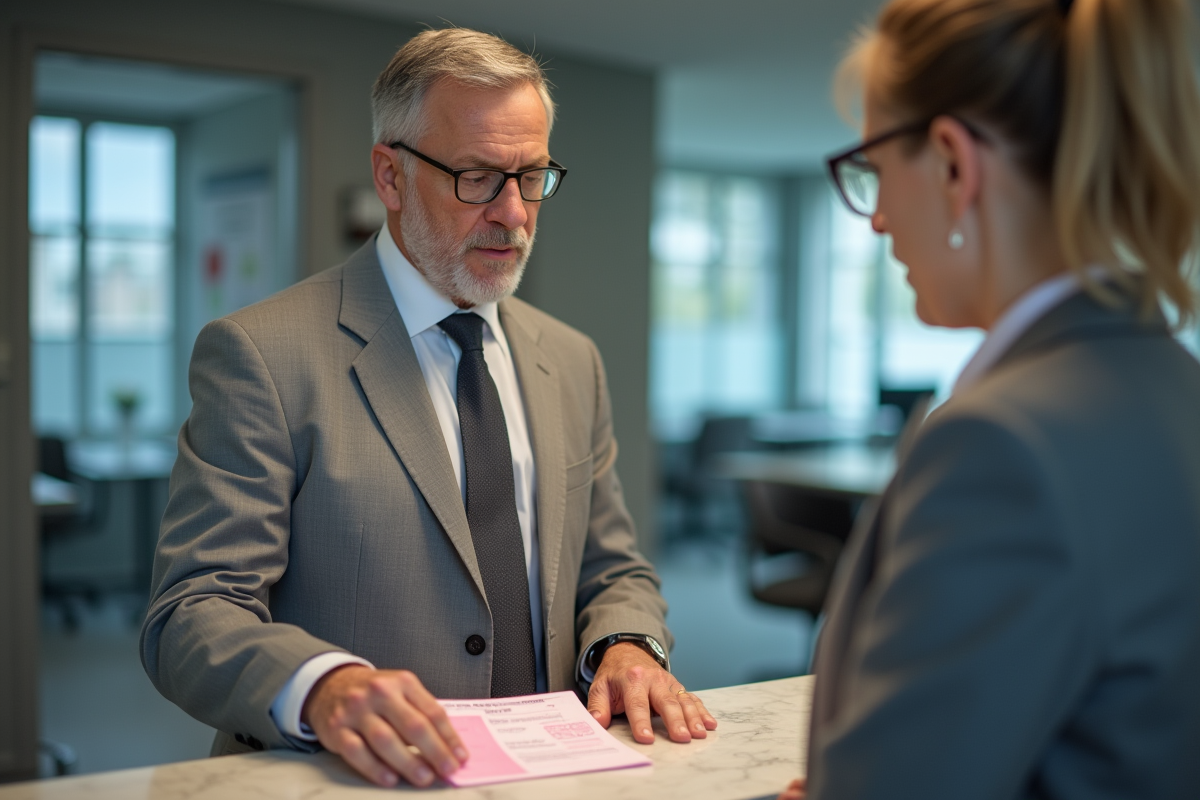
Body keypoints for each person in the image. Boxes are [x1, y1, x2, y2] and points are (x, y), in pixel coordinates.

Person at [140, 28, 715, 790]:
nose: (513, 214)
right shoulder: (261, 355)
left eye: (532, 175)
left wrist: (628, 644)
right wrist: (322, 685)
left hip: (556, 771)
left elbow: (612, 567)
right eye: (477, 177)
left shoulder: (572, 360)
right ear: (390, 174)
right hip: (351, 777)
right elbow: (191, 610)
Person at [781, 0, 1200, 797]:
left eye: (874, 169)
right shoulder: (1175, 383)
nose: (874, 219)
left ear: (950, 163)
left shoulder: (1000, 446)